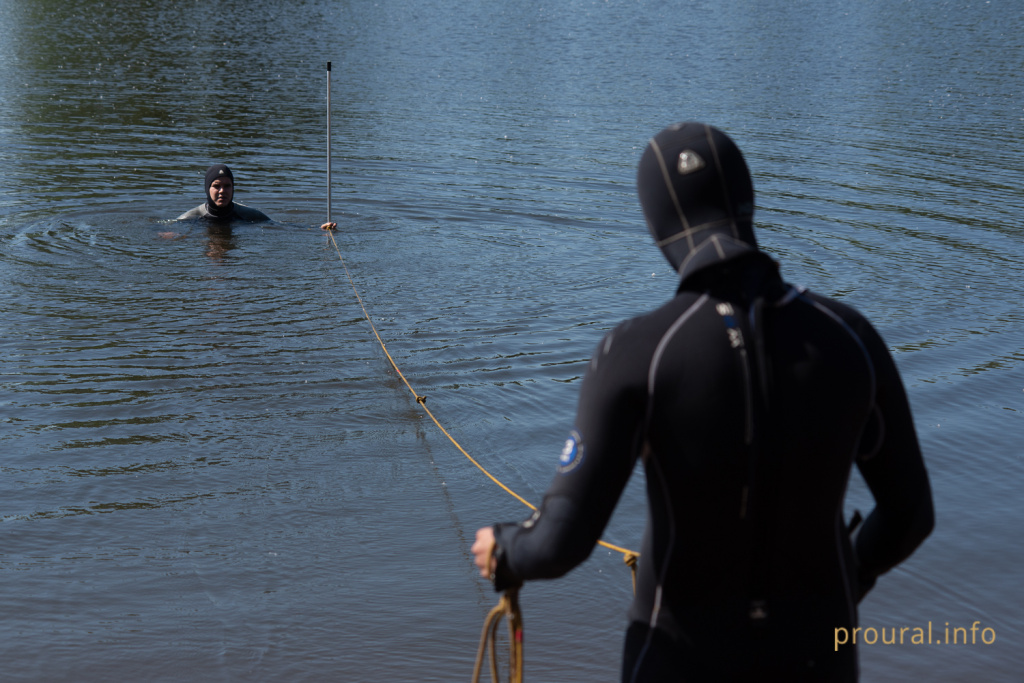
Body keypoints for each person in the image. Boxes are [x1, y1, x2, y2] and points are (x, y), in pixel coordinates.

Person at [471, 122, 934, 682]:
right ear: (747, 202)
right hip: (819, 657)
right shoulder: (851, 339)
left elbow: (561, 541)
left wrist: (505, 549)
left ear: (657, 222)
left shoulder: (639, 352)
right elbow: (910, 516)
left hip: (677, 662)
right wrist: (847, 577)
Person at [175, 163, 338, 230]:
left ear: (233, 189)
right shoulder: (192, 217)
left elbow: (281, 227)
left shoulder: (249, 214)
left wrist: (317, 229)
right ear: (207, 189)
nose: (222, 191)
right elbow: (164, 227)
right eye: (216, 186)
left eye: (227, 186)